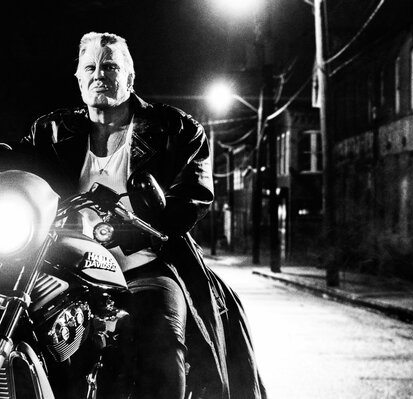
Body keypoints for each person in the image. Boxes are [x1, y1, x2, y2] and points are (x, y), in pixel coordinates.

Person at [24, 32, 267, 399]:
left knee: (162, 346)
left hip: (148, 266)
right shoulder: (52, 131)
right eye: (89, 67)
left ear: (130, 77)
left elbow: (194, 194)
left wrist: (146, 229)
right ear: (77, 78)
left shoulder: (175, 129)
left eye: (110, 66)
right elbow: (18, 161)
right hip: (70, 270)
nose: (99, 75)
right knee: (21, 330)